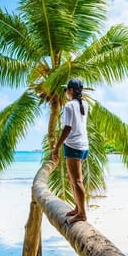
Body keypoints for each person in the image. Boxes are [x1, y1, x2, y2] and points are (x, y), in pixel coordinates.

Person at [51, 78, 89, 224]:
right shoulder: (84, 104)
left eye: (66, 89)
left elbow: (67, 128)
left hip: (73, 145)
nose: (66, 92)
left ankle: (82, 214)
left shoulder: (69, 106)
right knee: (72, 178)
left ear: (71, 90)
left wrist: (57, 147)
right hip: (83, 145)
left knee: (77, 180)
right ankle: (77, 208)